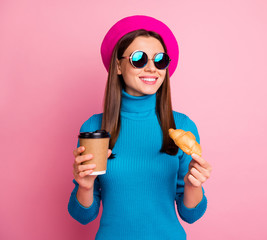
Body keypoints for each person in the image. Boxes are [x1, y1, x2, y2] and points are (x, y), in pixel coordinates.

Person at [68, 15, 212, 240]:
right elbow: (83, 216)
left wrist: (194, 184)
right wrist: (85, 186)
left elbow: (190, 215)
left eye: (160, 60)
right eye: (139, 59)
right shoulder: (95, 128)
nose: (152, 68)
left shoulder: (182, 126)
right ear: (118, 65)